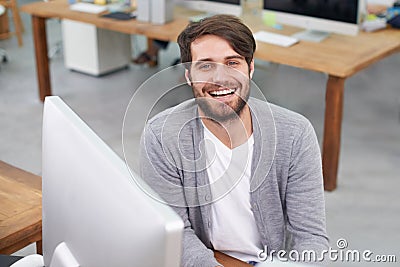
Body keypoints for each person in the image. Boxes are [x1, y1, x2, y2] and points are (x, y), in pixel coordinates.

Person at [140, 15, 329, 266]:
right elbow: (177, 232)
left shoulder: (295, 133)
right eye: (205, 66)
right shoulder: (161, 135)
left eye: (232, 62)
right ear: (188, 76)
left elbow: (311, 238)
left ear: (250, 69)